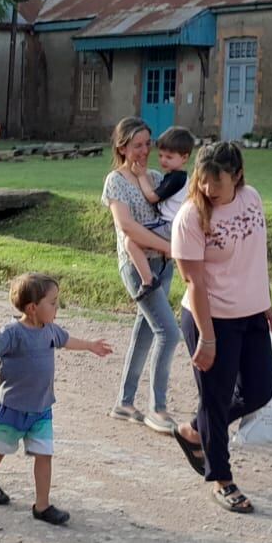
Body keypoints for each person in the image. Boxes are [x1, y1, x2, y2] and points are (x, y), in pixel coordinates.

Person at [172, 141, 272, 513]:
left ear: (236, 176)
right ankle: (221, 479)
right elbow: (194, 283)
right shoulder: (191, 218)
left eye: (215, 183)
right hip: (211, 317)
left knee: (261, 390)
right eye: (202, 181)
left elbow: (256, 257)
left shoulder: (252, 199)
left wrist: (266, 303)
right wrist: (207, 337)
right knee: (215, 401)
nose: (207, 190)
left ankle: (194, 430)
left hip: (250, 314)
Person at [0, 273, 113, 526]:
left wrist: (90, 345)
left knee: (44, 454)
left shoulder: (50, 330)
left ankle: (42, 505)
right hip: (13, 407)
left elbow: (67, 340)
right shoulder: (13, 332)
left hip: (41, 408)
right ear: (32, 308)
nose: (57, 307)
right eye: (52, 302)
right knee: (0, 447)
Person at [101, 117, 183, 434]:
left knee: (147, 330)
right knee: (169, 332)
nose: (145, 150)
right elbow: (127, 227)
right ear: (122, 147)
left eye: (148, 143)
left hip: (164, 263)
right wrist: (167, 246)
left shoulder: (154, 176)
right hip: (138, 266)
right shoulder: (115, 181)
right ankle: (157, 408)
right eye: (138, 145)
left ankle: (124, 402)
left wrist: (171, 249)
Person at [125, 126, 196, 299]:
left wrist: (141, 175)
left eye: (169, 157)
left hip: (168, 225)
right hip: (174, 225)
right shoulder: (176, 176)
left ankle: (148, 281)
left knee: (130, 242)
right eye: (161, 155)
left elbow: (152, 197)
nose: (163, 161)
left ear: (185, 157)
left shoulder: (176, 178)